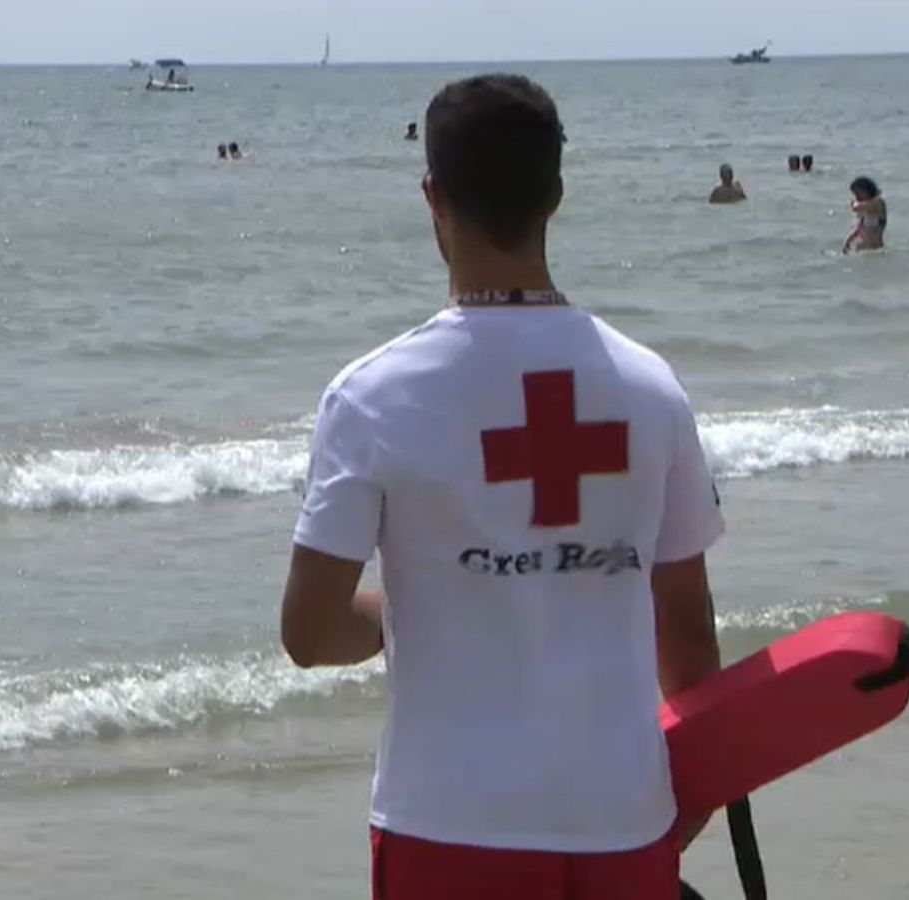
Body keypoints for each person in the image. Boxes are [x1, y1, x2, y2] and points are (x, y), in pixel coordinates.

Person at [280, 74, 723, 900]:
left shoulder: (373, 396)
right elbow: (688, 630)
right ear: (556, 194)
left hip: (449, 820)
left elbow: (309, 633)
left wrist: (411, 603)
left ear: (432, 197)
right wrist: (682, 803)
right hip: (621, 816)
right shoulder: (650, 387)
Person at [843, 176, 887, 253]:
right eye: (855, 194)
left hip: (875, 249)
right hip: (862, 249)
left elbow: (856, 208)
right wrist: (848, 241)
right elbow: (860, 227)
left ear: (866, 190)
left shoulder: (878, 202)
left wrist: (854, 204)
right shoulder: (864, 210)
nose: (857, 196)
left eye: (858, 193)